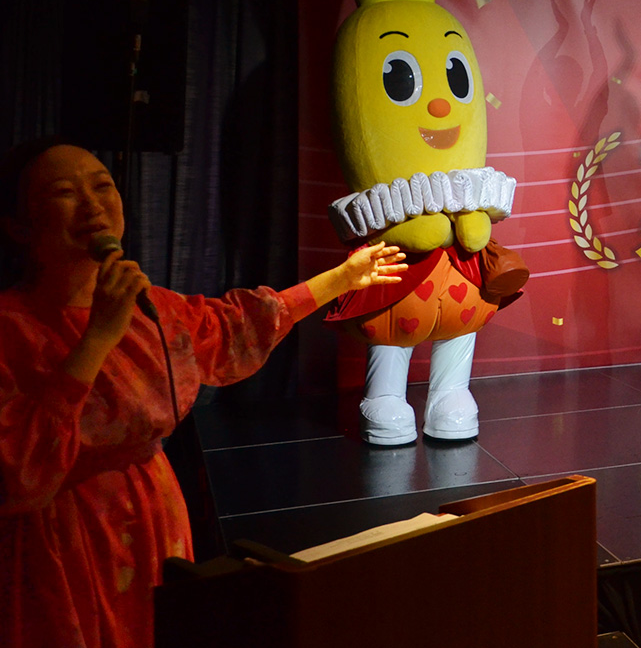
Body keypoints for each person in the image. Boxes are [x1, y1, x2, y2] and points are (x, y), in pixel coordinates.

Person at [0, 140, 407, 648]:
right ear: (19, 226)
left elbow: (237, 326)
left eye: (103, 186)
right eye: (64, 192)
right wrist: (98, 336)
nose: (92, 204)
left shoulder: (150, 307)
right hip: (61, 540)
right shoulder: (12, 326)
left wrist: (343, 277)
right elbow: (18, 467)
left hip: (152, 515)